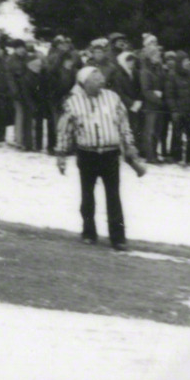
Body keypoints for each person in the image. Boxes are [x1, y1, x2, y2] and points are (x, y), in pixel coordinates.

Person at [55, 66, 139, 251]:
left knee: (113, 196)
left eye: (101, 77)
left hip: (110, 154)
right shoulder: (73, 102)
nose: (100, 80)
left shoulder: (112, 97)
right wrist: (61, 154)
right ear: (84, 83)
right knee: (87, 195)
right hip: (87, 154)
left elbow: (124, 123)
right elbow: (65, 130)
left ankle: (118, 238)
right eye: (95, 78)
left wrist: (130, 145)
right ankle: (88, 232)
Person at [165, 51, 190, 165]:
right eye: (185, 61)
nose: (187, 63)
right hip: (178, 110)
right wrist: (174, 110)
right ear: (180, 62)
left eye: (188, 60)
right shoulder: (172, 75)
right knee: (177, 134)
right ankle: (175, 156)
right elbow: (169, 95)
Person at [138, 46, 165, 163]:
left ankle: (154, 153)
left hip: (158, 105)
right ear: (149, 56)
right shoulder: (145, 71)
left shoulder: (159, 69)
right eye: (155, 55)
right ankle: (150, 156)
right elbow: (146, 90)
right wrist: (159, 100)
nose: (158, 57)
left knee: (157, 131)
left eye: (158, 55)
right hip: (150, 106)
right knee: (150, 131)